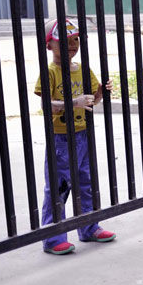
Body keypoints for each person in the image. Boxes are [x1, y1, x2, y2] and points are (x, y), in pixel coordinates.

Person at [34, 18, 115, 255]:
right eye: (65, 41)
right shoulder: (50, 72)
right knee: (58, 187)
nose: (72, 45)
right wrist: (73, 102)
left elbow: (93, 99)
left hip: (82, 134)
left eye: (76, 40)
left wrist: (102, 91)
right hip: (61, 138)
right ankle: (52, 237)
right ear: (49, 46)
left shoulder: (83, 68)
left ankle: (89, 226)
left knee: (86, 182)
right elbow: (46, 105)